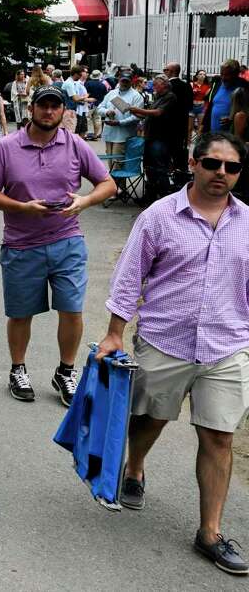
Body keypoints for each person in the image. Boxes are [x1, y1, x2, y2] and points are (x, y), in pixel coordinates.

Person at [98, 132, 249, 575]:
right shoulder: (160, 216)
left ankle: (210, 533)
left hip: (226, 345)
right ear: (194, 162)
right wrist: (114, 333)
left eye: (231, 167)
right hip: (166, 341)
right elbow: (130, 276)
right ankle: (137, 465)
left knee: (220, 436)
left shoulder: (248, 223)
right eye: (212, 163)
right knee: (152, 418)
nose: (221, 173)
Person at [0, 86, 116, 405]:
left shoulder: (74, 144)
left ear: (64, 111)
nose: (49, 111)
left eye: (56, 106)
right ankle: (18, 368)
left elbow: (107, 184)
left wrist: (84, 201)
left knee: (71, 308)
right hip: (21, 244)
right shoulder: (7, 147)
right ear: (31, 109)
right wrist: (22, 207)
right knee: (21, 313)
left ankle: (65, 371)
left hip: (67, 240)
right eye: (44, 105)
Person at [131, 74, 189, 205]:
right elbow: (149, 114)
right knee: (149, 166)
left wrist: (139, 110)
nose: (154, 86)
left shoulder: (170, 96)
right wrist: (134, 112)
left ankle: (164, 197)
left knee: (159, 166)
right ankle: (150, 195)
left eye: (156, 84)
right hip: (151, 136)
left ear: (164, 85)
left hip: (161, 137)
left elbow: (158, 112)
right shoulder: (158, 97)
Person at [95, 75, 145, 176]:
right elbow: (99, 108)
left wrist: (119, 123)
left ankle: (119, 188)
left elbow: (136, 117)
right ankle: (116, 187)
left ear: (131, 82)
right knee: (111, 162)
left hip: (123, 135)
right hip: (109, 133)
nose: (124, 83)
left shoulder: (136, 96)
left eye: (127, 81)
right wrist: (107, 112)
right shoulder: (111, 93)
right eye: (123, 81)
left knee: (117, 163)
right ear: (119, 80)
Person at [61, 65, 86, 135]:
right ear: (75, 74)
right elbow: (75, 98)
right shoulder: (69, 84)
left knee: (68, 132)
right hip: (69, 111)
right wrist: (85, 97)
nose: (80, 77)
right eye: (80, 75)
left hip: (68, 110)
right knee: (70, 132)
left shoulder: (70, 83)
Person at [84, 70, 109, 140]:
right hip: (99, 104)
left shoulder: (87, 83)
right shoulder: (102, 85)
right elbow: (105, 95)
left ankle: (85, 134)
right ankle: (95, 135)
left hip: (89, 104)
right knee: (97, 119)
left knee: (87, 119)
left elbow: (84, 93)